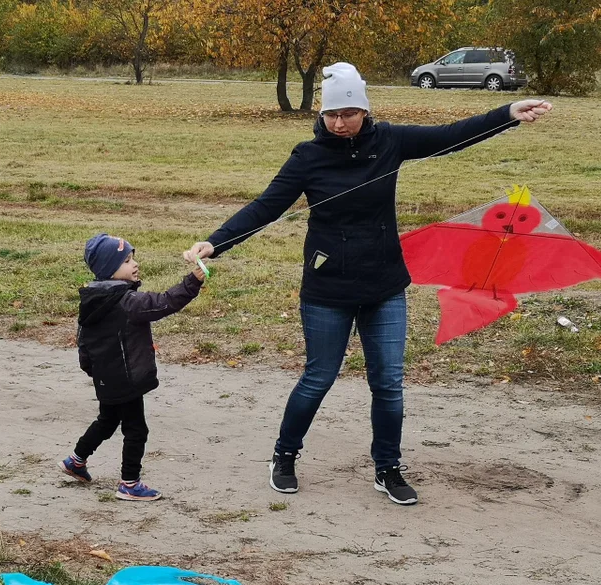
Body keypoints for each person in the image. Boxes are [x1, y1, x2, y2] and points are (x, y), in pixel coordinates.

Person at [183, 62, 552, 506]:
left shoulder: (390, 141)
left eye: (349, 113)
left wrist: (507, 112)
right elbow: (266, 206)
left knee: (389, 383)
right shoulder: (307, 156)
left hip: (384, 285)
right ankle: (284, 456)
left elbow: (452, 134)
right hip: (328, 290)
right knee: (318, 377)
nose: (339, 123)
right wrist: (215, 242)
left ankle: (387, 468)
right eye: (331, 115)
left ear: (365, 110)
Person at [61, 233, 206, 501]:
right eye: (127, 261)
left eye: (132, 257)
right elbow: (163, 303)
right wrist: (192, 283)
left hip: (107, 377)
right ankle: (129, 483)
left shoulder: (92, 299)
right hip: (126, 379)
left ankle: (75, 461)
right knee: (136, 429)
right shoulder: (125, 302)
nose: (135, 264)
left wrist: (93, 370)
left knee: (107, 421)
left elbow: (84, 342)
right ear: (109, 271)